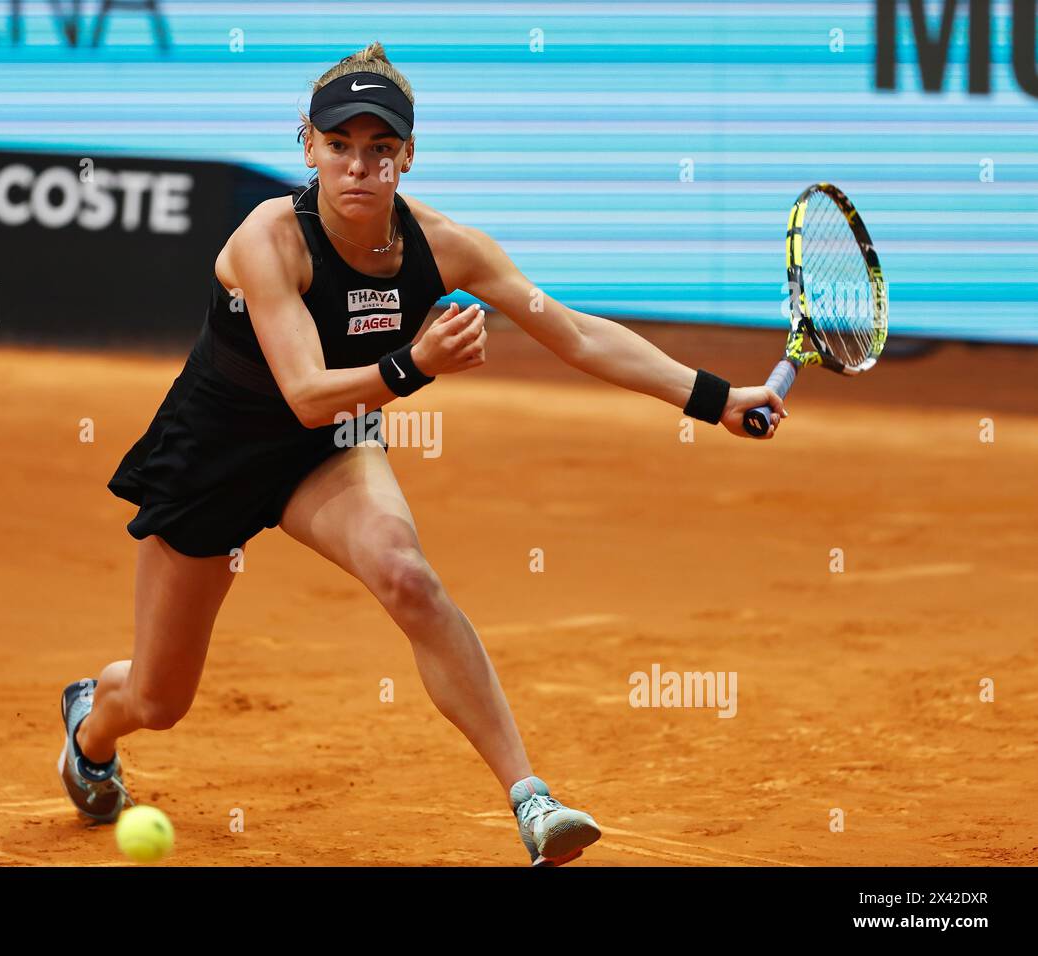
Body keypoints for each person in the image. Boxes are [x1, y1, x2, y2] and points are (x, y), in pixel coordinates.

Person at [57, 41, 786, 867]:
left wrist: (715, 397)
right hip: (212, 457)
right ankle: (91, 724)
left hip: (325, 450)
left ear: (408, 155)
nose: (359, 168)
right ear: (307, 146)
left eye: (380, 150)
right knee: (158, 698)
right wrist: (413, 367)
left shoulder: (448, 247)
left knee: (407, 572)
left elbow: (574, 333)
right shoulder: (268, 238)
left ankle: (532, 799)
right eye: (339, 147)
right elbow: (303, 388)